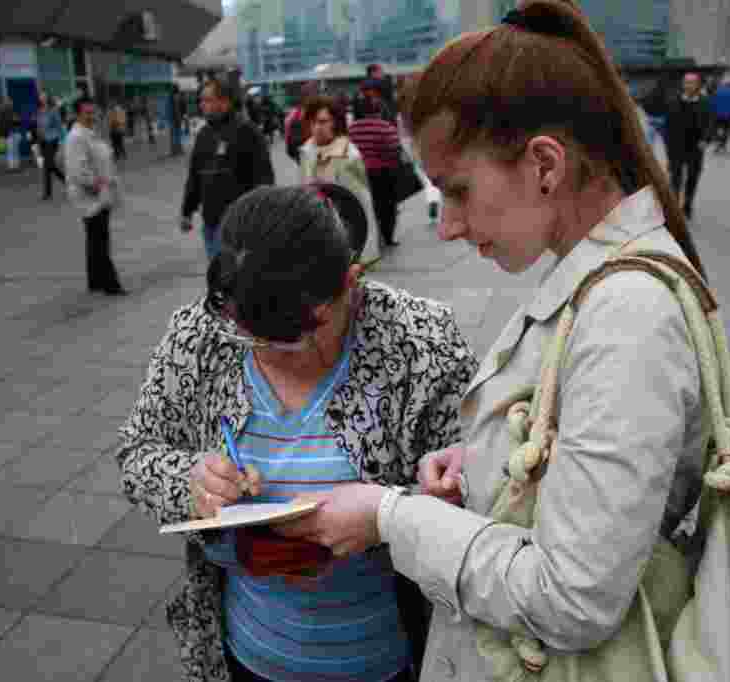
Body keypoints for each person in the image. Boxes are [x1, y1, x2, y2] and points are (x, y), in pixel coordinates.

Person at [266, 4, 713, 682]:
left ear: (544, 164)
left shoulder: (628, 317)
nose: (445, 226)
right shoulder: (601, 280)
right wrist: (487, 459)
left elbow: (572, 598)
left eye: (457, 190)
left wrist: (392, 518)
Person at [116, 182, 479, 682]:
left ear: (351, 281)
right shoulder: (202, 334)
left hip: (383, 657)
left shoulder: (420, 342)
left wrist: (391, 515)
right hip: (249, 651)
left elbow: (475, 489)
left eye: (300, 337)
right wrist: (190, 481)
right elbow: (136, 453)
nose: (272, 355)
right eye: (253, 338)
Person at [181, 77, 275, 261]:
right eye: (201, 100)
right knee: (220, 278)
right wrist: (187, 210)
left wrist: (258, 219)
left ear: (224, 101)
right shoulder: (204, 134)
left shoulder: (247, 131)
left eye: (207, 100)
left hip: (239, 225)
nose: (202, 105)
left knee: (236, 280)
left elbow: (264, 179)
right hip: (211, 223)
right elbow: (195, 176)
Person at [299, 95, 381, 266]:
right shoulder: (307, 151)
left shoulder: (349, 155)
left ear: (334, 122)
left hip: (346, 236)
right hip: (317, 232)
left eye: (323, 121)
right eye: (313, 122)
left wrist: (365, 250)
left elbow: (362, 203)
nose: (317, 127)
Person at [65, 96, 126, 296]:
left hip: (98, 194)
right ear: (77, 114)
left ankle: (96, 280)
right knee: (99, 240)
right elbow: (78, 170)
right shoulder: (76, 137)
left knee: (95, 239)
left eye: (94, 112)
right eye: (87, 113)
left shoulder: (91, 133)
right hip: (90, 196)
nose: (92, 116)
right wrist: (96, 184)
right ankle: (110, 284)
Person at [349, 81, 402, 247]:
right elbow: (395, 148)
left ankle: (368, 236)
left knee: (365, 205)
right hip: (383, 172)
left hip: (359, 173)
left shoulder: (352, 129)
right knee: (387, 205)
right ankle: (388, 237)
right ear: (377, 110)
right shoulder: (385, 127)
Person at [664, 72, 714, 220]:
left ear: (698, 85)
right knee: (676, 178)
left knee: (692, 177)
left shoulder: (705, 102)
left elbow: (710, 123)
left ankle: (688, 204)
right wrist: (668, 147)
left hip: (696, 147)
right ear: (683, 84)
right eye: (686, 82)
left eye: (692, 82)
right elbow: (668, 126)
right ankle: (674, 207)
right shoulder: (673, 101)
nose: (689, 85)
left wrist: (706, 139)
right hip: (677, 146)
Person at [39, 96, 66, 200]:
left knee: (47, 166)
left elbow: (59, 126)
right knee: (50, 166)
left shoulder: (53, 111)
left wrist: (63, 141)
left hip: (53, 140)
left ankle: (47, 193)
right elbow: (39, 125)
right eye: (41, 97)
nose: (41, 98)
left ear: (47, 99)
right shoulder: (41, 111)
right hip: (43, 141)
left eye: (43, 96)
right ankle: (67, 183)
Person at [710, 80, 730, 153]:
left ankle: (719, 143)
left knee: (718, 129)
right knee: (726, 129)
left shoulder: (716, 92)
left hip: (718, 114)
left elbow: (712, 103)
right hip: (729, 114)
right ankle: (723, 144)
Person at [0, 96, 21, 171]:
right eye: (8, 102)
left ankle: (15, 166)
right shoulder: (3, 112)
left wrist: (16, 121)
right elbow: (2, 125)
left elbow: (18, 122)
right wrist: (1, 136)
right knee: (11, 151)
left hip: (14, 133)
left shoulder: (13, 111)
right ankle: (12, 166)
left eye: (10, 101)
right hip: (9, 134)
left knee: (14, 151)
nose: (10, 103)